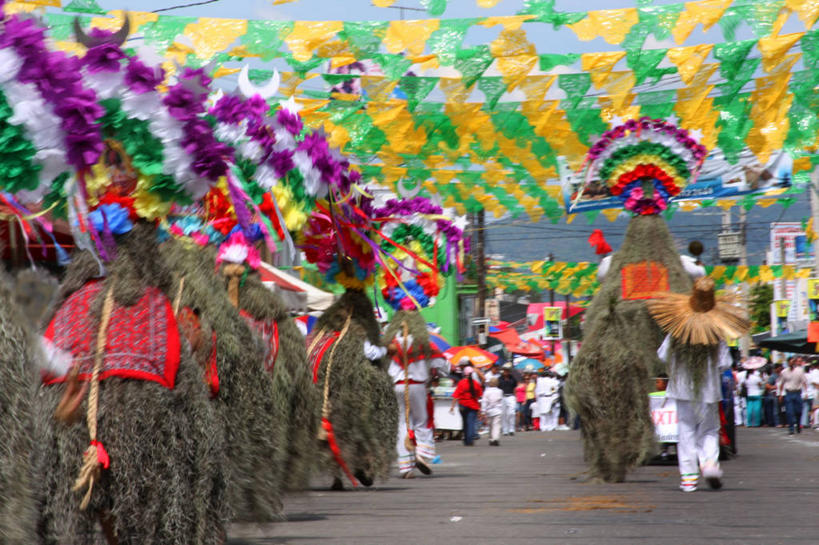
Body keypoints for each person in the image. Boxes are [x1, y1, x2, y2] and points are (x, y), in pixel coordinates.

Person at [649, 276, 750, 492]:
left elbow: (662, 355)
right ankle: (710, 465)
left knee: (685, 431)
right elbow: (725, 363)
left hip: (682, 389)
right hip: (708, 391)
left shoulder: (677, 329)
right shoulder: (715, 333)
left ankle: (688, 478)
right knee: (709, 430)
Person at [384, 310, 449, 478]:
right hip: (418, 386)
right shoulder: (424, 344)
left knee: (402, 425)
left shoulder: (391, 343)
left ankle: (406, 467)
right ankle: (422, 455)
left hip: (397, 386)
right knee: (422, 422)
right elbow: (443, 366)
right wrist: (436, 372)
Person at [450, 365, 483, 446]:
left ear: (464, 374)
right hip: (473, 405)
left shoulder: (461, 383)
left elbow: (456, 395)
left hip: (463, 406)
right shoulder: (476, 383)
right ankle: (470, 439)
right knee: (471, 422)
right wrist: (480, 408)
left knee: (465, 423)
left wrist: (452, 406)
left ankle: (466, 439)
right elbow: (479, 396)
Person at [779, 356, 807, 434]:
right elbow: (781, 383)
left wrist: (805, 392)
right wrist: (780, 394)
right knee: (789, 412)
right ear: (788, 363)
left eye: (793, 362)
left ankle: (798, 425)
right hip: (789, 393)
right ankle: (791, 428)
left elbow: (804, 382)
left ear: (794, 363)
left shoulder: (800, 371)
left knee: (798, 411)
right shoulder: (784, 372)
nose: (791, 363)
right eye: (790, 362)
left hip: (797, 393)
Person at [481, 378, 504, 446]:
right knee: (496, 425)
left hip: (489, 411)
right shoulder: (500, 391)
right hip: (498, 410)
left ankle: (491, 438)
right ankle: (495, 438)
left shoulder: (486, 392)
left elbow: (484, 402)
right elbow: (502, 401)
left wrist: (483, 411)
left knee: (490, 425)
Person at [498, 363, 518, 436]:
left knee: (511, 413)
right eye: (505, 370)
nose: (506, 372)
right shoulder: (499, 379)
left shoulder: (513, 378)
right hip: (502, 397)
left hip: (511, 396)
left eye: (508, 370)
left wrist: (516, 397)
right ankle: (505, 430)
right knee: (503, 414)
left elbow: (515, 387)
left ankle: (511, 428)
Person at [763, 363, 781, 427]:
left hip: (777, 394)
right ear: (777, 368)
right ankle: (776, 423)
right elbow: (767, 385)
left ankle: (772, 422)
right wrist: (775, 387)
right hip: (773, 394)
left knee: (774, 409)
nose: (781, 369)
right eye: (780, 367)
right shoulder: (773, 376)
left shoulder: (779, 375)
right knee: (775, 410)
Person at [801, 362, 814, 429]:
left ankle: (803, 422)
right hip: (811, 394)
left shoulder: (803, 375)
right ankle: (809, 422)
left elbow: (803, 384)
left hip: (804, 394)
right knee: (811, 410)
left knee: (805, 409)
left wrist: (805, 392)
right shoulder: (811, 375)